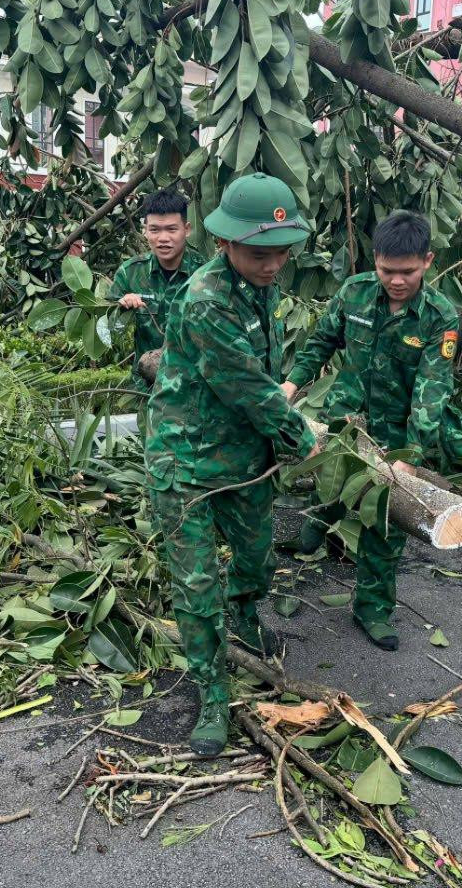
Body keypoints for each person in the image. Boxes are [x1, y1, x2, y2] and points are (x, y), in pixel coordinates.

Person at [145, 173, 320, 756]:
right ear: (224, 243)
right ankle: (211, 694)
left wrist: (279, 427)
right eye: (259, 255)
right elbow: (244, 382)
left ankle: (246, 619)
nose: (272, 266)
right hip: (186, 458)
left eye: (281, 255)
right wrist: (298, 434)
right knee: (197, 584)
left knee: (254, 555)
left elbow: (264, 375)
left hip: (243, 452)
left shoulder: (258, 284)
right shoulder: (205, 300)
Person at [280, 210, 462, 652]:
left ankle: (372, 609)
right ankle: (316, 525)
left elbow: (432, 390)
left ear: (427, 261)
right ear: (375, 261)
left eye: (407, 272)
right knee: (329, 480)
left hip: (395, 433)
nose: (397, 281)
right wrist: (292, 384)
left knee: (384, 524)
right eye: (388, 271)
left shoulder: (438, 314)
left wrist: (410, 454)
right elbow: (321, 342)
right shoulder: (354, 292)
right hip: (346, 417)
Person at [106, 190, 206, 388]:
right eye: (155, 230)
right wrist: (121, 309)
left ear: (186, 229)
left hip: (193, 387)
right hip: (147, 387)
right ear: (145, 230)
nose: (163, 238)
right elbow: (108, 333)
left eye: (171, 229)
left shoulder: (204, 274)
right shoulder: (130, 273)